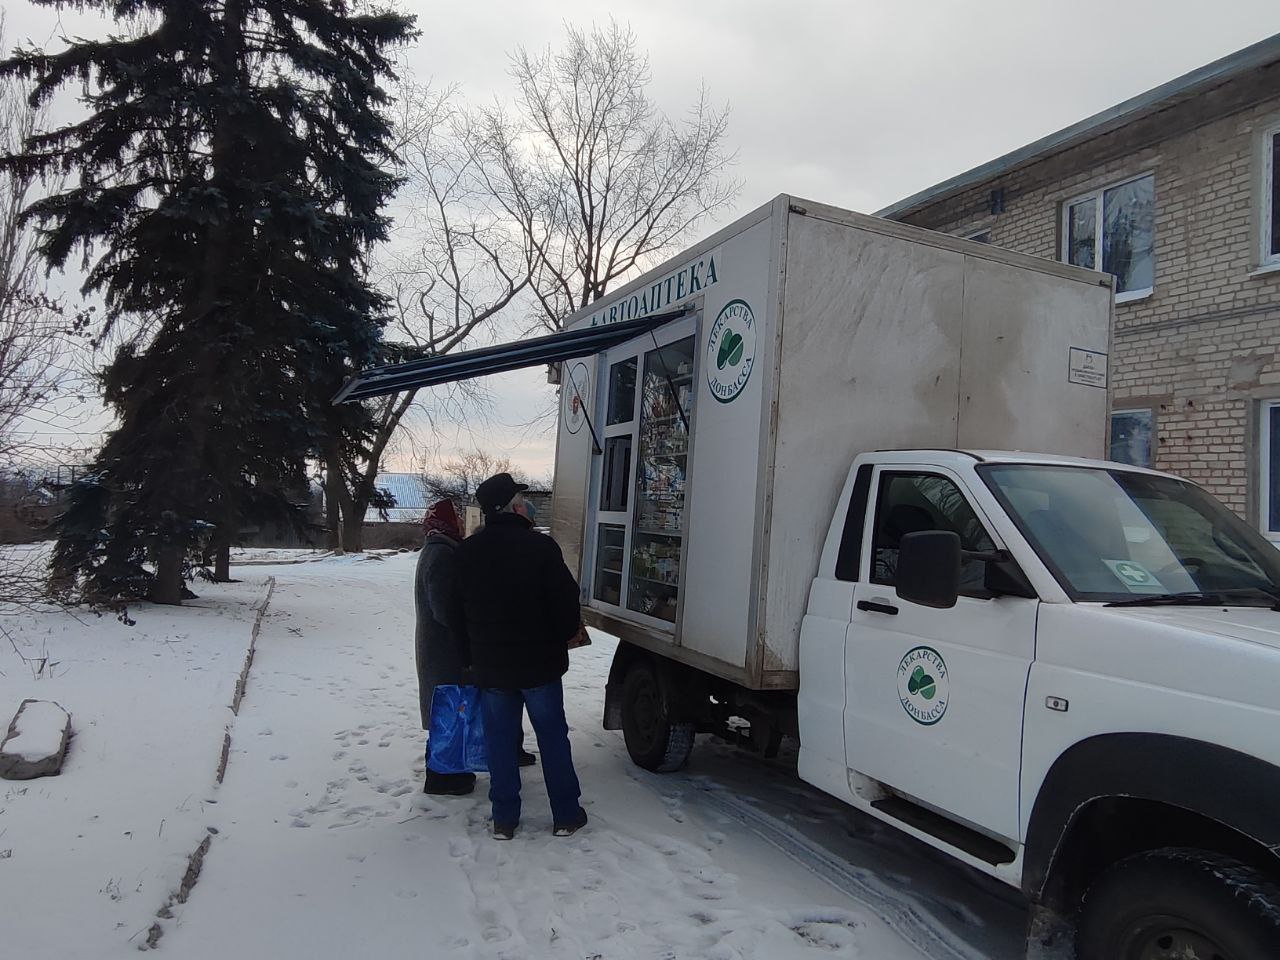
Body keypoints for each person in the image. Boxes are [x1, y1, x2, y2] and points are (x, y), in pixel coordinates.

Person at [447, 472, 587, 840]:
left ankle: (504, 819)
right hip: (540, 666)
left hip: (492, 669)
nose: (528, 505)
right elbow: (566, 602)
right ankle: (566, 815)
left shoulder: (466, 553)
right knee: (553, 739)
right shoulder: (540, 547)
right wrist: (561, 638)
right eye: (522, 500)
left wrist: (469, 657)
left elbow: (453, 612)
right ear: (513, 507)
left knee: (500, 743)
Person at [414, 499, 475, 796]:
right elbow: (444, 609)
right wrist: (467, 627)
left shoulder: (436, 549)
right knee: (447, 709)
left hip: (437, 647)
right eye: (458, 518)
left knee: (446, 708)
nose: (462, 523)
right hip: (443, 650)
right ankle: (442, 777)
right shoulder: (442, 554)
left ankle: (447, 771)